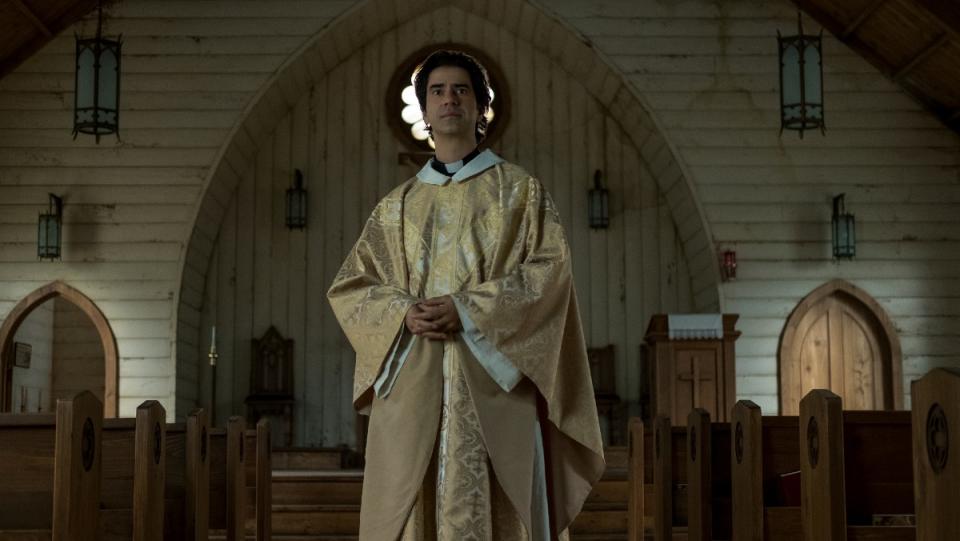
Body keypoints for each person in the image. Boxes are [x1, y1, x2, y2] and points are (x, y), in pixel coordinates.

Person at [327, 49, 603, 541]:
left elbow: (549, 272)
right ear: (425, 112)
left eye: (461, 90)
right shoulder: (397, 206)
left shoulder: (520, 192)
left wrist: (469, 311)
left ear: (480, 109)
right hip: (416, 382)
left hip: (494, 384)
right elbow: (353, 286)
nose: (449, 99)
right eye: (437, 91)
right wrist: (404, 313)